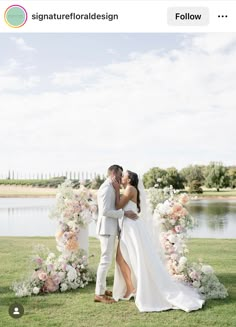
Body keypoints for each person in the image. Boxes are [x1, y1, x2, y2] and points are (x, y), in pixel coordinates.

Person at [112, 170, 205, 312]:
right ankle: (131, 287)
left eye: (123, 175)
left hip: (131, 228)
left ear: (129, 179)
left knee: (131, 257)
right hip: (129, 227)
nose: (121, 177)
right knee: (123, 257)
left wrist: (114, 188)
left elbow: (117, 206)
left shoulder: (130, 189)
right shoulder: (129, 189)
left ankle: (133, 287)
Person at [94, 165, 138, 304]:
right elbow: (105, 211)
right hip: (106, 230)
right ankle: (99, 294)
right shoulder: (106, 188)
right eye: (119, 175)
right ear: (113, 174)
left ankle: (102, 289)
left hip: (111, 229)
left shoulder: (112, 186)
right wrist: (124, 213)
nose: (120, 178)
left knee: (107, 261)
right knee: (105, 261)